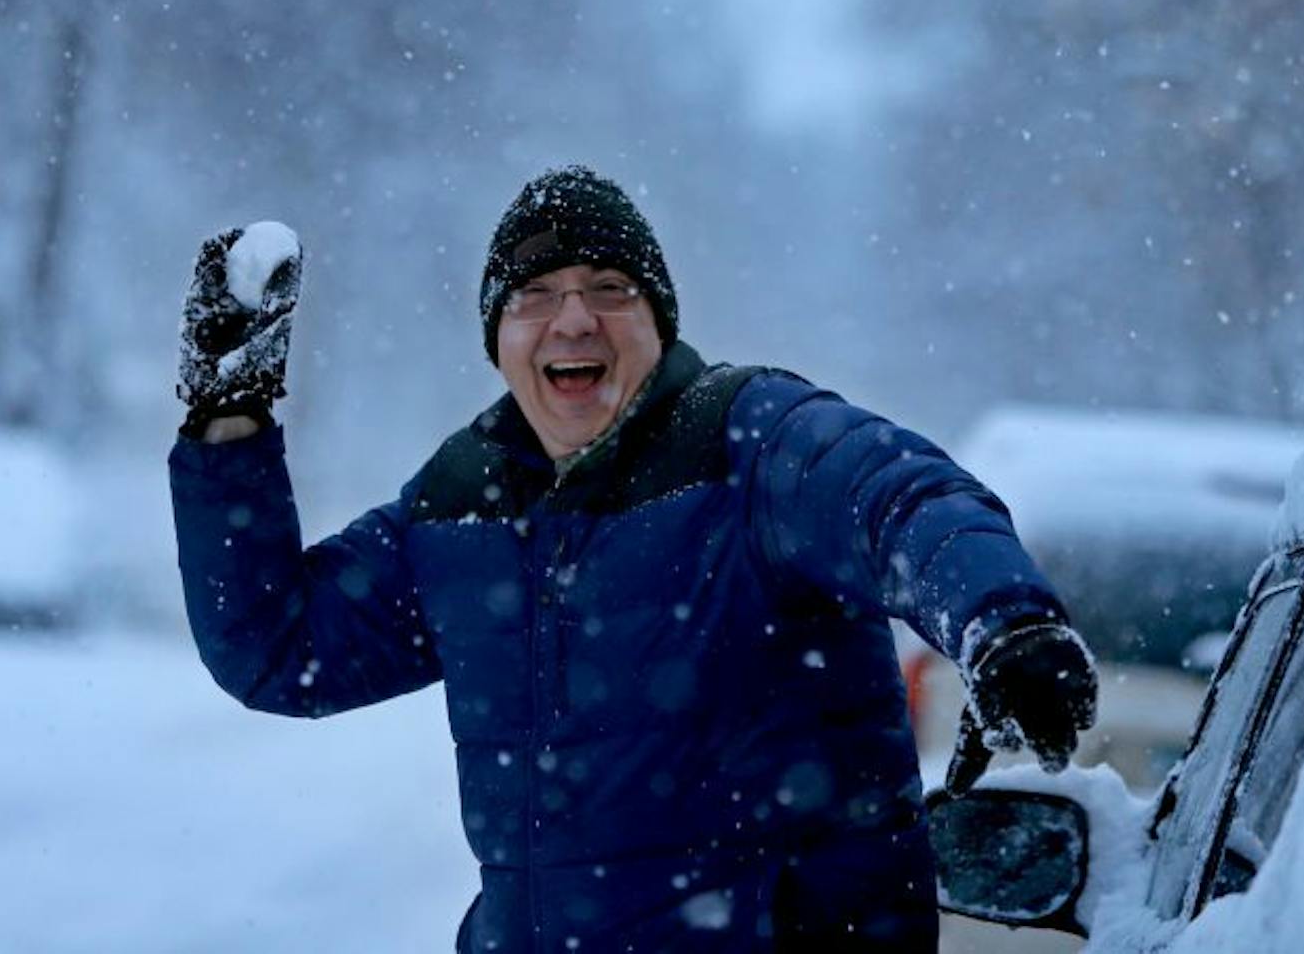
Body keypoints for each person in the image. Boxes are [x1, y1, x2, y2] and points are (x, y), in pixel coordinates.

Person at [170, 165, 1096, 952]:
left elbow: (905, 499)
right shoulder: (459, 505)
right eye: (534, 295)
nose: (573, 319)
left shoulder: (752, 442)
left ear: (658, 323)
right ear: (499, 341)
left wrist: (1002, 620)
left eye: (609, 287)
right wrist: (228, 421)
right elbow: (278, 647)